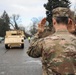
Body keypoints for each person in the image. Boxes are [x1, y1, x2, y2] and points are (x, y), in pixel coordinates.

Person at [27, 7, 76, 75]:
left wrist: (39, 32)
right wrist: (73, 33)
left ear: (54, 21)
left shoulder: (45, 42)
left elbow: (31, 51)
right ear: (68, 21)